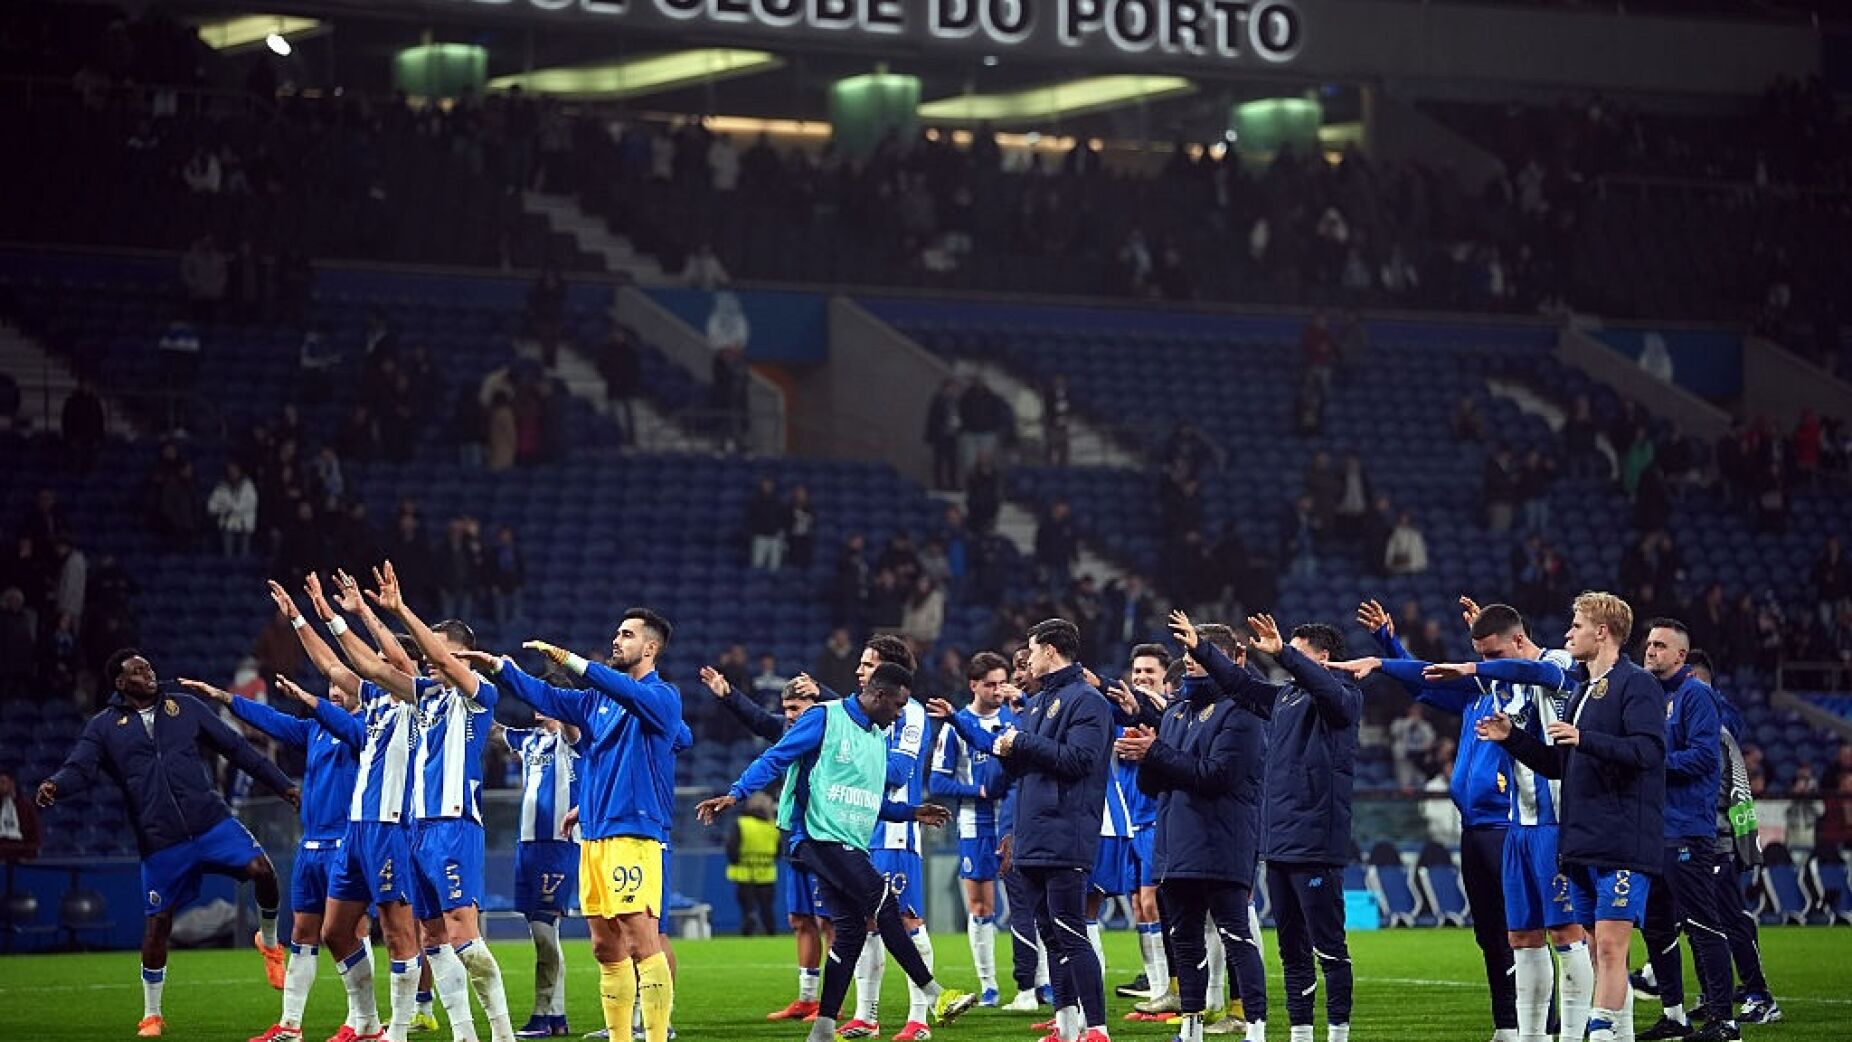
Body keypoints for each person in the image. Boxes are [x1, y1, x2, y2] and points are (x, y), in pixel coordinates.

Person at [697, 664, 978, 1042]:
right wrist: (736, 794)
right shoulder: (824, 717)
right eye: (897, 705)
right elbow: (775, 757)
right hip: (816, 835)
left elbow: (870, 801)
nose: (899, 715)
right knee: (883, 900)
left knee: (849, 932)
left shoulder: (876, 739)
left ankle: (824, 1028)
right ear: (879, 695)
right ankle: (935, 995)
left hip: (849, 840)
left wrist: (912, 812)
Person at [1344, 599, 1579, 1042]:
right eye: (1480, 656)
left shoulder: (1535, 686)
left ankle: (1547, 1022)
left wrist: (1471, 666)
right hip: (1474, 828)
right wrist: (1387, 646)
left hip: (1512, 824)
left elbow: (1533, 673)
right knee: (1491, 933)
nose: (1484, 664)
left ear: (1518, 643)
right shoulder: (1478, 694)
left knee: (1529, 929)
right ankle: (1507, 1024)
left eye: (1492, 656)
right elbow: (1425, 680)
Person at [37, 649, 299, 1039]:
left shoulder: (184, 706)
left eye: (148, 666)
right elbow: (80, 767)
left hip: (210, 821)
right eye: (137, 671)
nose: (148, 673)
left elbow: (237, 749)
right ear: (121, 683)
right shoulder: (104, 726)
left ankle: (271, 943)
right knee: (158, 925)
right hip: (160, 839)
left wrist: (284, 786)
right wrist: (56, 785)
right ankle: (152, 1015)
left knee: (262, 871)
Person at [462, 608, 686, 1042]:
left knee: (641, 939)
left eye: (627, 634)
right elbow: (546, 697)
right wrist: (501, 670)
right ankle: (620, 1036)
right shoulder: (594, 702)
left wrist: (571, 660)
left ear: (651, 648)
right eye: (617, 632)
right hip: (595, 837)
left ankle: (657, 1034)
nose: (617, 640)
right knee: (605, 946)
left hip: (633, 834)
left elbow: (628, 693)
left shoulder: (663, 696)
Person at [297, 573, 479, 1041]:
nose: (373, 668)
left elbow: (389, 660)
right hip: (357, 827)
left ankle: (399, 1027)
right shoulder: (375, 701)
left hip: (393, 826)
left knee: (404, 936)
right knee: (334, 932)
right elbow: (333, 666)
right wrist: (305, 617)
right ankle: (366, 1021)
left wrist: (359, 613)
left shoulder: (415, 700)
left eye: (383, 660)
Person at [1479, 592, 1665, 1042]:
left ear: (1601, 632)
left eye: (1577, 626)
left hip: (1622, 839)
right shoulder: (1580, 692)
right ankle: (1618, 1035)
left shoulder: (1636, 684)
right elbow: (1558, 764)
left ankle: (1598, 1035)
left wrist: (1585, 739)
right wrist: (1512, 738)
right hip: (1581, 844)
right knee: (1598, 953)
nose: (1568, 634)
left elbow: (1649, 752)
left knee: (1611, 947)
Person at [930, 618, 1113, 1042]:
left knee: (1071, 931)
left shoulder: (1088, 701)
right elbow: (1015, 768)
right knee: (1051, 934)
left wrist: (1022, 744)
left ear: (1050, 650)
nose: (1026, 659)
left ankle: (1098, 1029)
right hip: (1031, 833)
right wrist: (1006, 751)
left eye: (1031, 650)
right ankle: (1066, 1027)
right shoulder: (1034, 704)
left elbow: (1080, 761)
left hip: (1066, 832)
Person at [1187, 611, 1360, 1042]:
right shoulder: (1286, 698)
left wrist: (1283, 652)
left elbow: (1326, 688)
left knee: (1329, 949)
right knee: (1291, 950)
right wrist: (1200, 649)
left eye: (1298, 654)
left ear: (1323, 657)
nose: (1287, 660)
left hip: (1316, 843)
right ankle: (1300, 1033)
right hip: (1279, 843)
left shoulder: (1344, 697)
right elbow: (1240, 685)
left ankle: (1338, 1034)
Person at [182, 673, 370, 1042]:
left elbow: (344, 728)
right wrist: (225, 697)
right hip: (311, 845)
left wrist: (314, 704)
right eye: (331, 686)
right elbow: (272, 721)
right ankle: (290, 1026)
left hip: (348, 845)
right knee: (301, 933)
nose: (334, 692)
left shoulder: (366, 729)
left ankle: (361, 1021)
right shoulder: (314, 729)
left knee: (354, 930)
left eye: (342, 686)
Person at [1118, 620, 1268, 1042]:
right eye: (1186, 656)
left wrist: (1157, 752)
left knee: (1236, 936)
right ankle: (1191, 1028)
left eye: (1198, 656)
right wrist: (1146, 755)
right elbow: (1153, 785)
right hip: (1176, 843)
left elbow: (1217, 776)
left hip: (1222, 841)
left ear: (1222, 660)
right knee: (1184, 941)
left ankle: (1254, 1027)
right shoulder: (1177, 711)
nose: (1188, 664)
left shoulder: (1243, 713)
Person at [699, 668, 831, 1021]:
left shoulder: (833, 727)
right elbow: (759, 720)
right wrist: (729, 695)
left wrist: (736, 793)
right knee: (800, 918)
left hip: (826, 832)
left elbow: (850, 707)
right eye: (786, 709)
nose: (789, 716)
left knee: (829, 921)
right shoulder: (790, 728)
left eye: (796, 708)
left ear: (817, 705)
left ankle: (833, 1003)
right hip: (796, 832)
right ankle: (807, 999)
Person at [1634, 620, 1736, 1042]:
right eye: (1649, 644)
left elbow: (1704, 758)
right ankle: (1674, 1015)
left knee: (1702, 924)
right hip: (1653, 830)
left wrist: (1648, 762)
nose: (1651, 650)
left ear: (1681, 655)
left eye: (1661, 645)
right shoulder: (1649, 696)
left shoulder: (1696, 695)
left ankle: (1724, 1021)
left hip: (1687, 828)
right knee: (1656, 925)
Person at [834, 636, 936, 1042]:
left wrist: (849, 764)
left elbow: (897, 773)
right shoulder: (858, 713)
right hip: (859, 828)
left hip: (895, 832)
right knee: (867, 923)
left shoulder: (911, 713)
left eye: (867, 663)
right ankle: (867, 1016)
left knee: (906, 919)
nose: (859, 670)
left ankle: (919, 1019)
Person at [927, 651, 1016, 1006]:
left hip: (1014, 822)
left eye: (1002, 683)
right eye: (991, 685)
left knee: (1030, 903)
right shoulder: (955, 726)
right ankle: (989, 985)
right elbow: (937, 781)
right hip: (975, 824)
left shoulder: (1014, 718)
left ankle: (1040, 982)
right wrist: (978, 790)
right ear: (973, 685)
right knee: (981, 906)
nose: (998, 691)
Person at [494, 711, 583, 1040]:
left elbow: (573, 728)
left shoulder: (570, 739)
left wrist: (559, 704)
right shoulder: (529, 740)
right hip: (527, 845)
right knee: (543, 931)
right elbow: (493, 731)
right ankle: (557, 1017)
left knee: (544, 930)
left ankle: (542, 1014)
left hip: (558, 844)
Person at [727, 793, 781, 937]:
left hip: (744, 873)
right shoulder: (773, 825)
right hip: (766, 873)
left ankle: (748, 930)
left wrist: (737, 860)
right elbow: (779, 851)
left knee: (747, 908)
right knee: (767, 908)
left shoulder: (742, 823)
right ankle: (770, 933)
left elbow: (732, 848)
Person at [208, 462, 259, 558]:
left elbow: (251, 504)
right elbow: (212, 506)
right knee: (228, 557)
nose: (232, 473)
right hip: (228, 525)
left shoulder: (248, 486)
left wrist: (232, 508)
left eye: (234, 470)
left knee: (244, 558)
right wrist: (223, 510)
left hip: (244, 525)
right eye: (230, 470)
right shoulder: (221, 487)